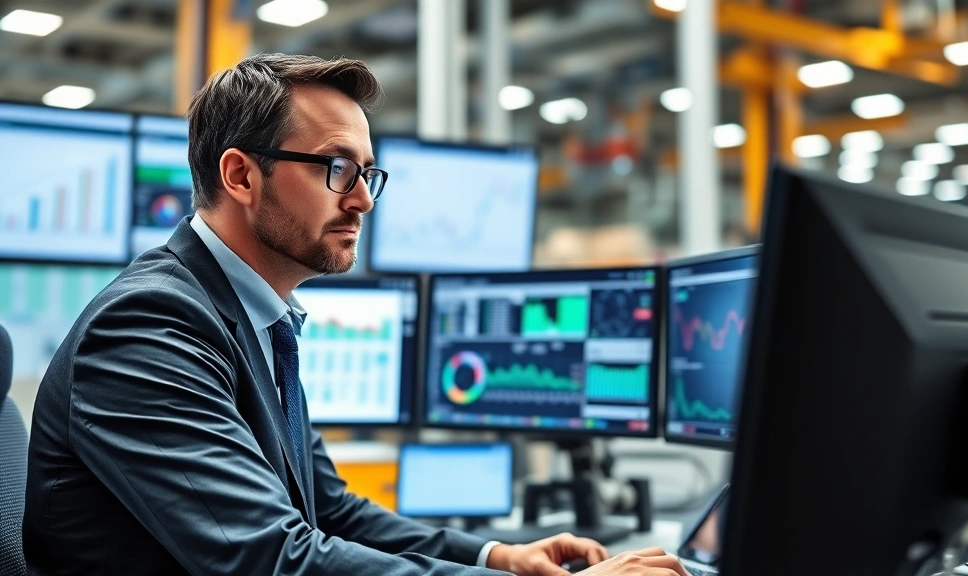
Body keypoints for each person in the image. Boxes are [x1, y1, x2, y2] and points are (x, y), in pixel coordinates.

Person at [22, 53, 688, 576]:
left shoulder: (254, 319)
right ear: (241, 176)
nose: (363, 200)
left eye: (367, 173)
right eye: (337, 168)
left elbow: (329, 511)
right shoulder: (149, 326)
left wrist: (498, 558)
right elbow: (269, 558)